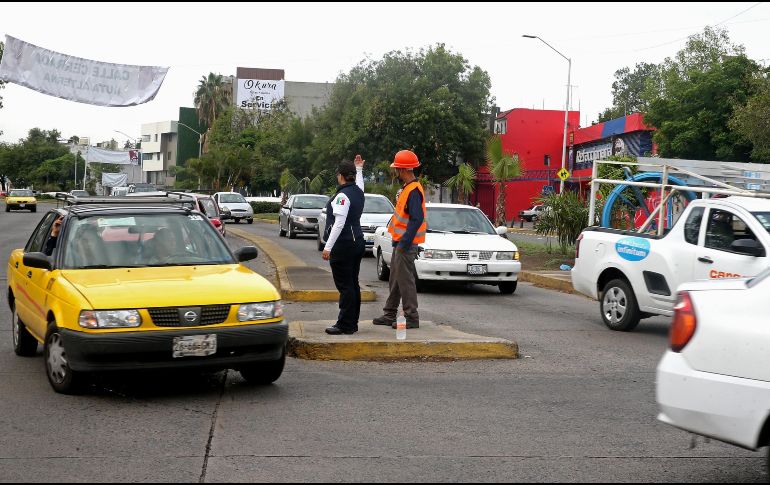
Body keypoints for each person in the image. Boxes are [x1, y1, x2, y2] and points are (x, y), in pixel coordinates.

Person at [372, 149, 426, 330]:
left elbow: (416, 219)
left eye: (397, 168)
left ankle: (411, 317)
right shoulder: (407, 189)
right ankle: (389, 313)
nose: (395, 172)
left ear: (403, 169)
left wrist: (404, 242)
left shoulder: (413, 191)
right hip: (401, 242)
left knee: (405, 281)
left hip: (406, 244)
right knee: (395, 279)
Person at [322, 155, 366, 335]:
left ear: (340, 175)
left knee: (345, 286)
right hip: (357, 242)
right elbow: (361, 186)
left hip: (344, 245)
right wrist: (360, 169)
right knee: (353, 284)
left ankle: (344, 324)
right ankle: (352, 323)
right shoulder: (357, 191)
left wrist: (328, 247)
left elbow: (339, 223)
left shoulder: (342, 196)